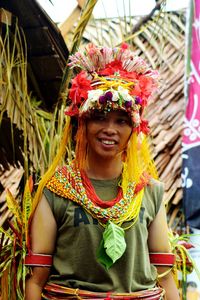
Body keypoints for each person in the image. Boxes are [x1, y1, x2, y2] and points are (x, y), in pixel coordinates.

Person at [25, 44, 180, 299]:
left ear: (134, 129)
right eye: (99, 117)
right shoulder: (57, 189)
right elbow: (35, 281)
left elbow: (165, 276)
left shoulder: (150, 191)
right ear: (81, 123)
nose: (111, 129)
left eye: (121, 121)